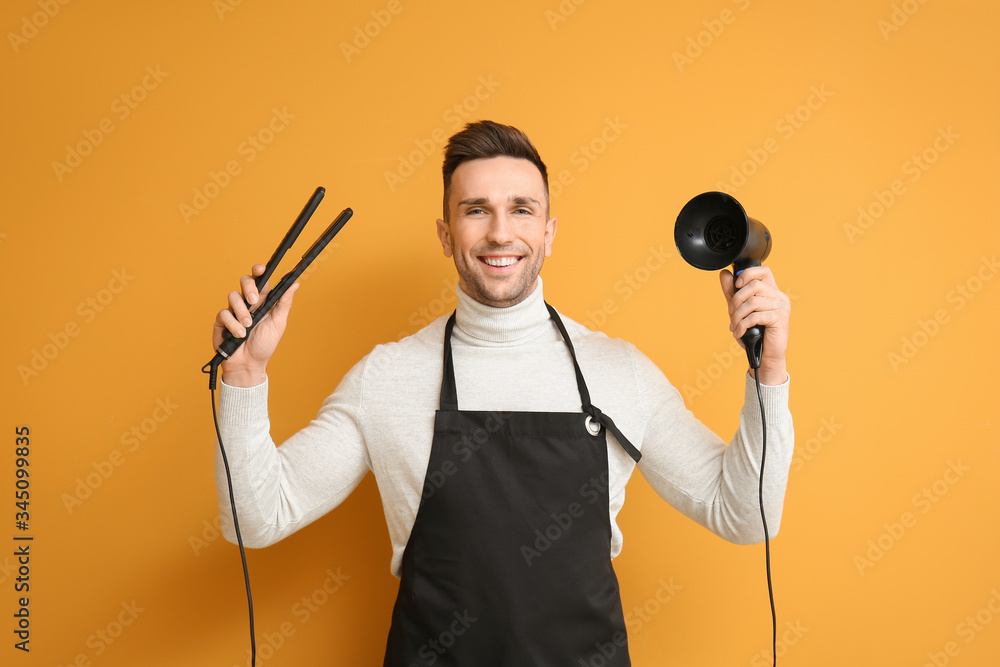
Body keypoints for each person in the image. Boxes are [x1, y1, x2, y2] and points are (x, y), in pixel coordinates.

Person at [211, 120, 794, 666]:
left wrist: (769, 371)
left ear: (548, 231)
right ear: (445, 234)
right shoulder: (385, 377)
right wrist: (243, 376)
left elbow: (745, 515)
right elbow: (256, 520)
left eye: (521, 209)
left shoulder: (621, 373)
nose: (500, 232)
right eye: (475, 210)